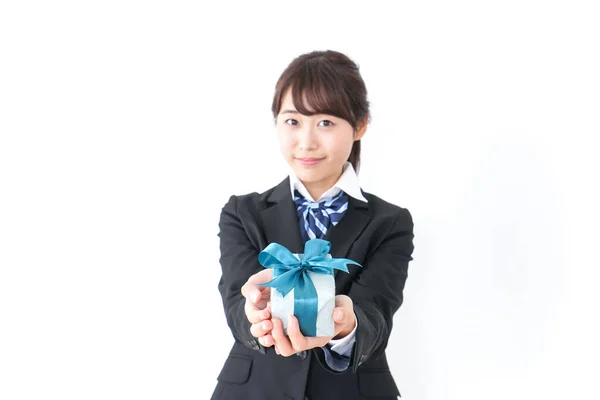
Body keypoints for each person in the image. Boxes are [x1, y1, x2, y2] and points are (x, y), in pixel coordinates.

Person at [211, 50, 415, 400]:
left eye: (325, 122)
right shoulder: (242, 213)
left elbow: (376, 313)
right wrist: (253, 316)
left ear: (360, 125)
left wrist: (345, 323)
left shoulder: (390, 222)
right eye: (292, 121)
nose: (306, 142)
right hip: (255, 390)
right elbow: (236, 304)